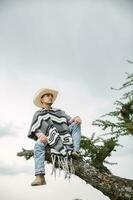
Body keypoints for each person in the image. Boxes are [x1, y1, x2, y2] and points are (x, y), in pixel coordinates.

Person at [28, 88, 81, 186]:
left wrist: (76, 118)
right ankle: (40, 177)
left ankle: (75, 151)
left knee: (76, 124)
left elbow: (69, 121)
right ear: (42, 99)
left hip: (64, 135)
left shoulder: (60, 112)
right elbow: (35, 128)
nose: (50, 97)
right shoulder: (38, 114)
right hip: (49, 137)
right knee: (38, 145)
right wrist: (41, 135)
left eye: (51, 96)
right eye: (47, 95)